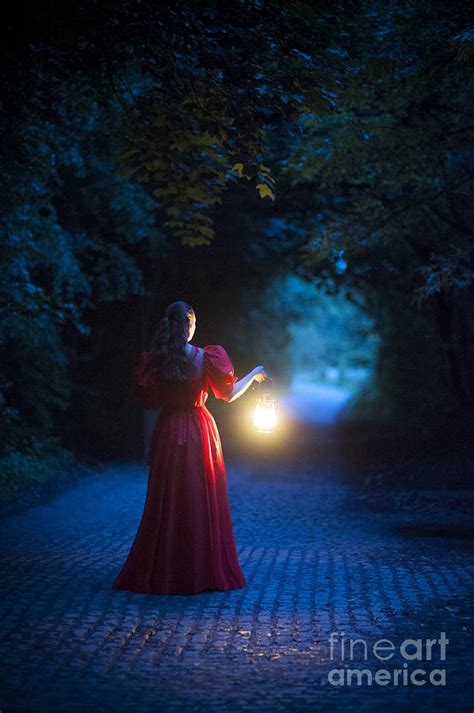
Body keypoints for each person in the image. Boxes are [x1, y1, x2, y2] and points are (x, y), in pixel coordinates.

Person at [112, 300, 267, 595]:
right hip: (200, 432)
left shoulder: (157, 360)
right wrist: (255, 373)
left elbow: (150, 408)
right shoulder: (206, 357)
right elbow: (230, 394)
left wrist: (149, 446)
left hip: (168, 432)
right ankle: (201, 570)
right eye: (193, 324)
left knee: (167, 500)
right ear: (190, 325)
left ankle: (165, 568)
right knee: (199, 499)